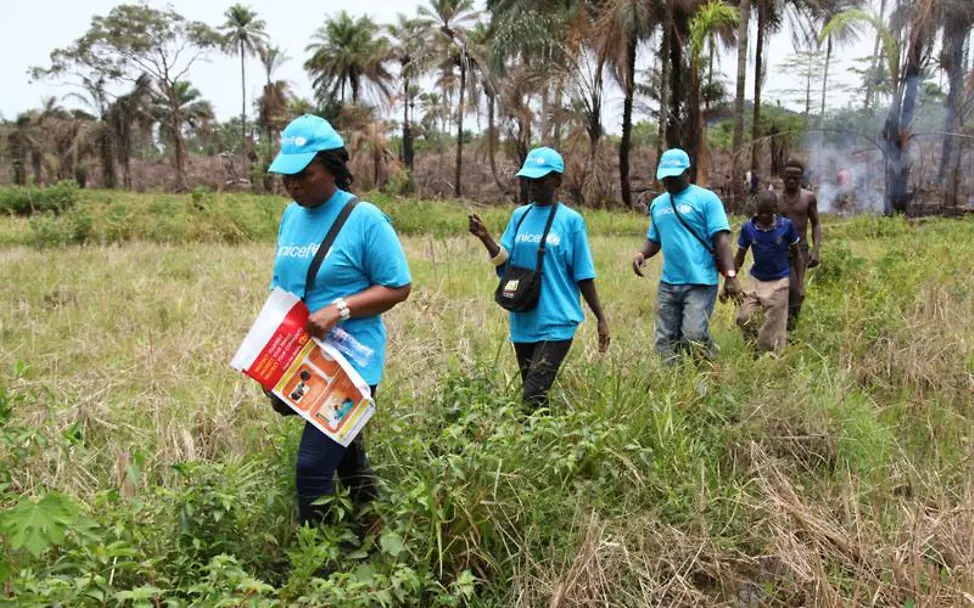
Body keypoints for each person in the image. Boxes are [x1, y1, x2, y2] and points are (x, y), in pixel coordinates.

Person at [267, 114, 412, 527]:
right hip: (304, 360)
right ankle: (375, 530)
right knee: (348, 461)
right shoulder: (290, 217)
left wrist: (340, 309)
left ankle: (318, 569)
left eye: (303, 175)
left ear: (332, 169)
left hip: (350, 365)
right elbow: (281, 287)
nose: (293, 184)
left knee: (312, 468)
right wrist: (270, 357)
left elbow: (398, 286)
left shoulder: (364, 219)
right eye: (286, 176)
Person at [468, 147, 610, 410]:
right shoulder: (519, 216)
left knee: (532, 395)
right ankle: (541, 443)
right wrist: (486, 238)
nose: (532, 186)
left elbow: (584, 275)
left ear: (556, 181)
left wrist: (600, 318)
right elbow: (506, 263)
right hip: (523, 320)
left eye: (539, 180)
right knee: (535, 395)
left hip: (556, 321)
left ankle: (527, 443)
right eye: (528, 180)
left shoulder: (571, 221)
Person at [632, 148, 742, 364]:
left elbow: (721, 240)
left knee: (693, 335)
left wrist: (730, 275)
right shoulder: (658, 204)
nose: (668, 181)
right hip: (669, 283)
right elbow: (655, 239)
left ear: (688, 172)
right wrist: (642, 254)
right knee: (664, 340)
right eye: (665, 176)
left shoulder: (707, 200)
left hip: (700, 282)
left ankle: (709, 368)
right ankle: (675, 383)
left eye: (674, 176)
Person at [734, 191, 803, 353]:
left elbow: (798, 255)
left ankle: (768, 359)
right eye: (760, 212)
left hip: (779, 282)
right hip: (756, 280)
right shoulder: (748, 229)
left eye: (768, 212)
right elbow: (739, 257)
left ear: (775, 209)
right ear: (756, 210)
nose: (764, 216)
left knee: (771, 333)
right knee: (743, 318)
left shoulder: (786, 226)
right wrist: (730, 279)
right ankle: (753, 346)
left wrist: (799, 285)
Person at [777, 159, 821, 330]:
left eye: (796, 177)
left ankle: (791, 329)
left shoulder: (808, 197)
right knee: (780, 290)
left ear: (802, 177)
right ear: (782, 177)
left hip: (800, 250)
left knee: (797, 291)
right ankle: (779, 326)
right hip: (779, 250)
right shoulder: (775, 199)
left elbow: (816, 224)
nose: (792, 180)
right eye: (788, 177)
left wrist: (816, 251)